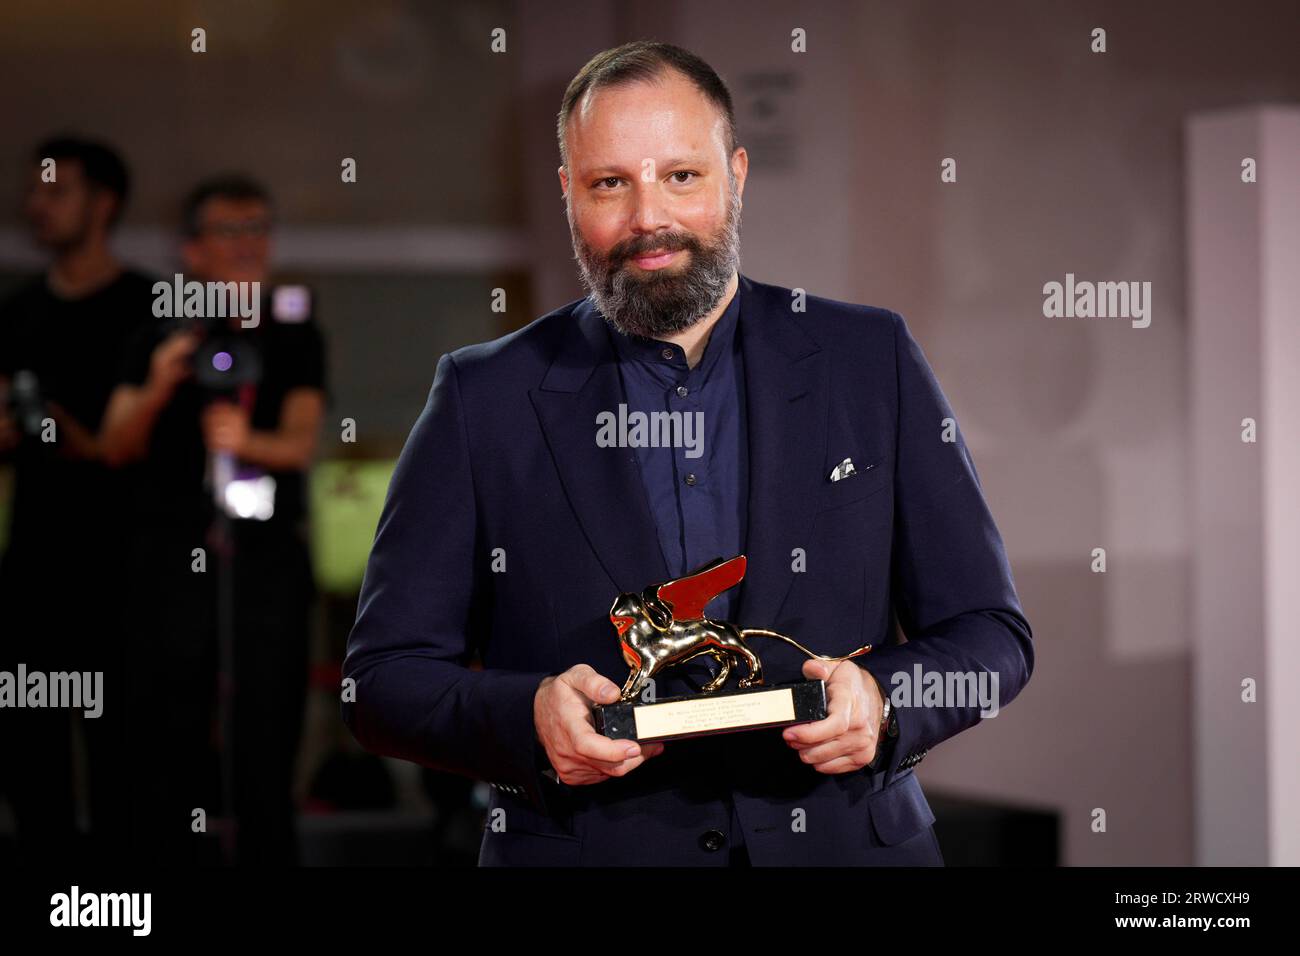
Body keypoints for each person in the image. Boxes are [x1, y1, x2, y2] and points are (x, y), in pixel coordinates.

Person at [342, 41, 1034, 866]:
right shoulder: (481, 397)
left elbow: (990, 633)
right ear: (568, 192)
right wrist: (526, 715)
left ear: (735, 175)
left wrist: (886, 699)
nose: (648, 220)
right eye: (610, 183)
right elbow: (382, 681)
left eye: (681, 176)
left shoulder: (867, 358)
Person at [101, 176, 327, 864]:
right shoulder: (157, 327)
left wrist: (242, 441)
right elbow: (113, 444)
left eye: (258, 228)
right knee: (164, 744)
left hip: (263, 561)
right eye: (229, 231)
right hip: (168, 564)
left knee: (265, 738)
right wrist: (159, 384)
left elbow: (300, 442)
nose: (247, 245)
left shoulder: (291, 327)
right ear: (191, 249)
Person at [0, 136, 154, 863]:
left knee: (126, 756)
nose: (37, 204)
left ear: (104, 203)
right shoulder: (16, 312)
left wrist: (75, 433)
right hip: (32, 563)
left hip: (126, 569)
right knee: (33, 758)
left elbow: (128, 445)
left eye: (55, 190)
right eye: (35, 190)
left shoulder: (147, 305)